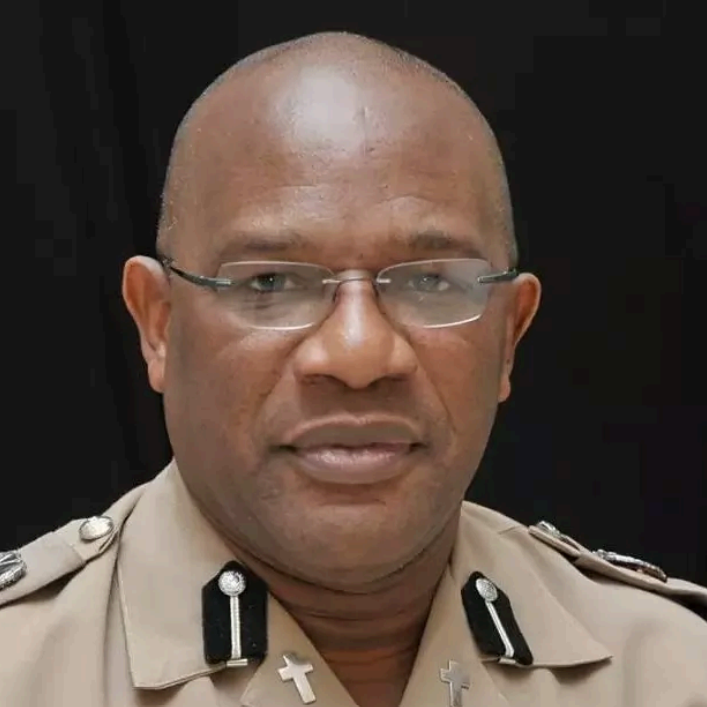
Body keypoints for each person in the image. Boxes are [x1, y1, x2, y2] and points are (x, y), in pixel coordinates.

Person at [1, 31, 705, 707]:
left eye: (430, 281)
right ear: (158, 325)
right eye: (271, 281)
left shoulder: (672, 672)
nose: (359, 356)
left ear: (509, 335)